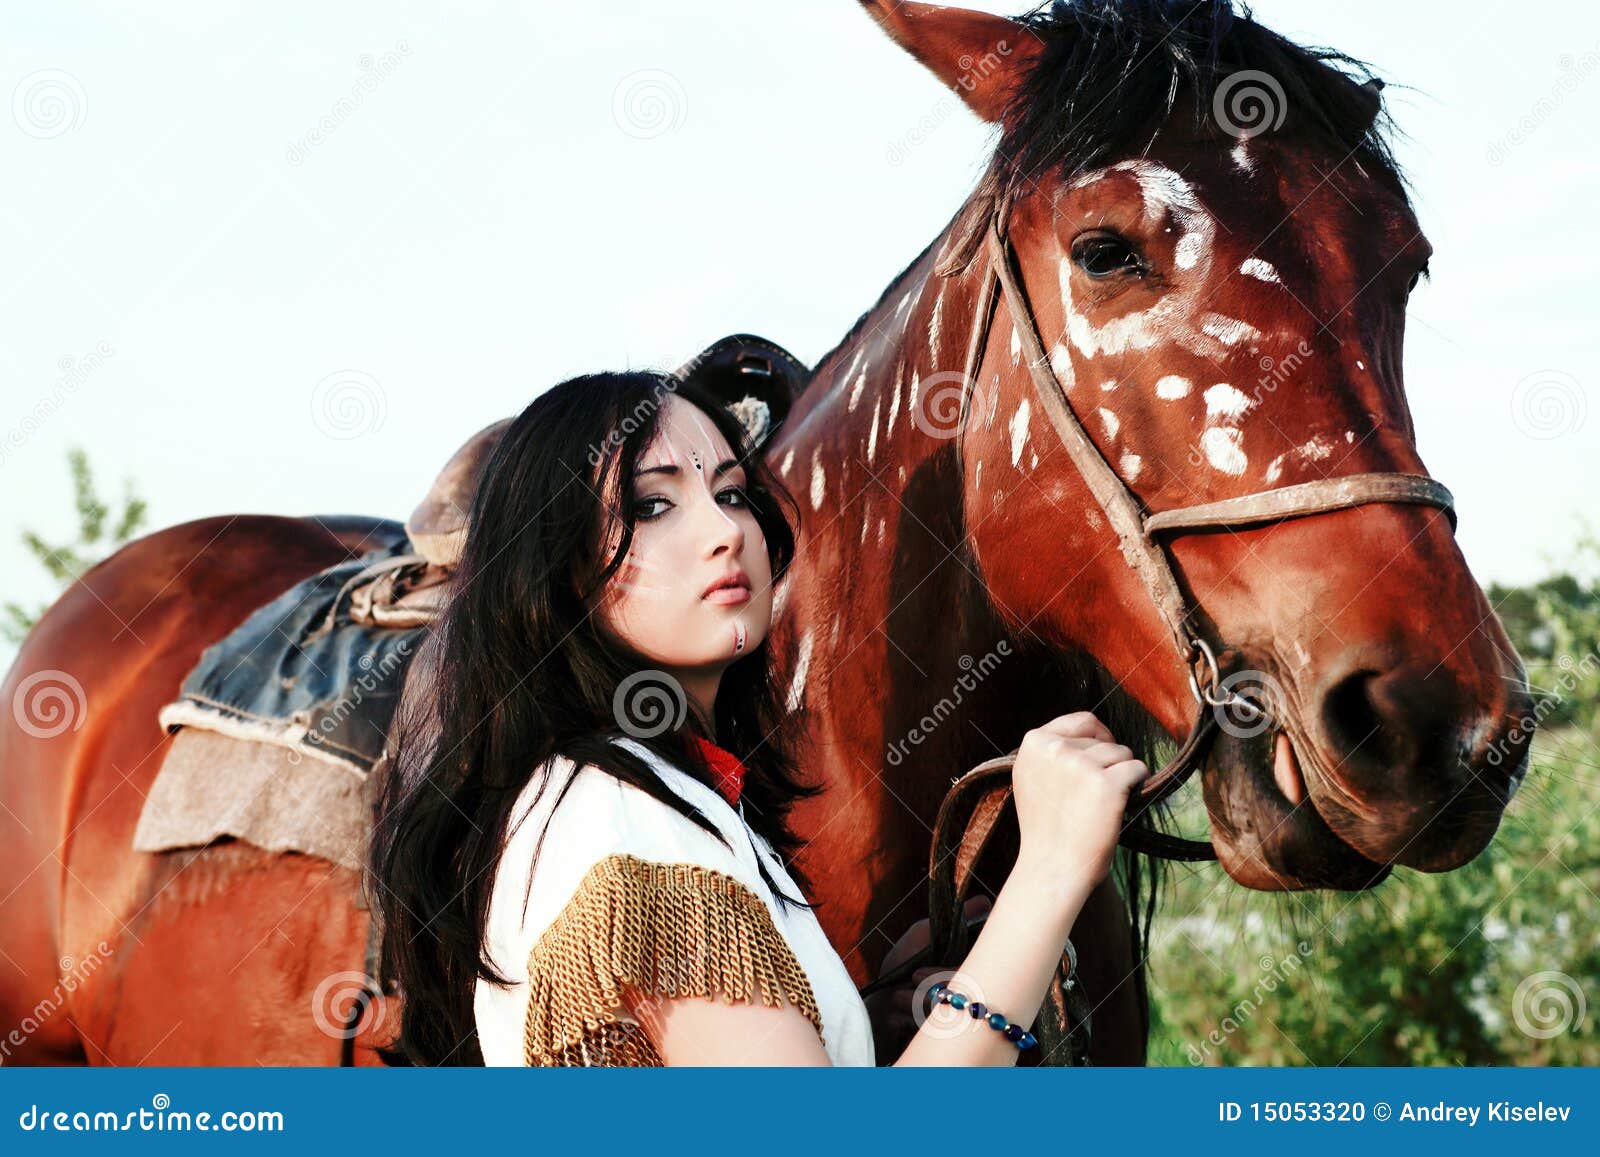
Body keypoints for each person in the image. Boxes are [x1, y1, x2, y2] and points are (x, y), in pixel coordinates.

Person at [369, 368, 1149, 1067]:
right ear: (562, 573)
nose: (724, 531)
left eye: (733, 492)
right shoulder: (625, 830)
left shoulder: (637, 796)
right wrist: (1047, 874)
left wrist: (861, 1028)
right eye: (653, 504)